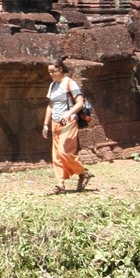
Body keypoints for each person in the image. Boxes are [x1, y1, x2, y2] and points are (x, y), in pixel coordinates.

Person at [42, 60, 91, 194]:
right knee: (56, 154)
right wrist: (46, 124)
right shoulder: (53, 85)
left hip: (68, 122)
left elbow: (79, 103)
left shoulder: (70, 83)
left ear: (61, 69)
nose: (51, 74)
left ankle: (82, 172)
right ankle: (60, 184)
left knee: (64, 151)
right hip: (55, 122)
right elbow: (50, 105)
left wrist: (68, 113)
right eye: (49, 72)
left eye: (53, 71)